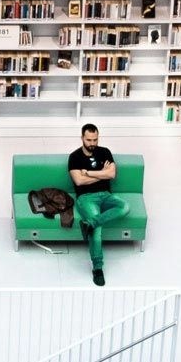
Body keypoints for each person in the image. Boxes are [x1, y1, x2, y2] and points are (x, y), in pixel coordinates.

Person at [67, 122, 124, 287]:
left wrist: (90, 173)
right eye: (89, 140)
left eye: (95, 139)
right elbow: (79, 180)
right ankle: (97, 268)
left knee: (124, 207)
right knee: (97, 231)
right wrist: (102, 174)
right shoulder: (75, 157)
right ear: (82, 138)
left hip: (106, 195)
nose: (92, 143)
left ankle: (89, 223)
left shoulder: (105, 152)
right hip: (86, 198)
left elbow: (112, 174)